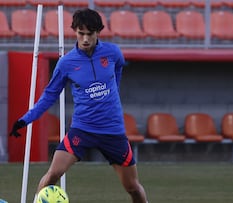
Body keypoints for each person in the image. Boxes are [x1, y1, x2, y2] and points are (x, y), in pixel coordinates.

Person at [9, 8, 148, 203]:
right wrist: (25, 119)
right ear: (75, 31)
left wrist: (112, 90)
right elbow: (49, 95)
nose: (84, 39)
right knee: (52, 175)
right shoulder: (66, 63)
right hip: (82, 130)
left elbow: (118, 69)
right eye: (80, 33)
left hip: (113, 131)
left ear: (98, 32)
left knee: (133, 187)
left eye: (89, 34)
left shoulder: (113, 53)